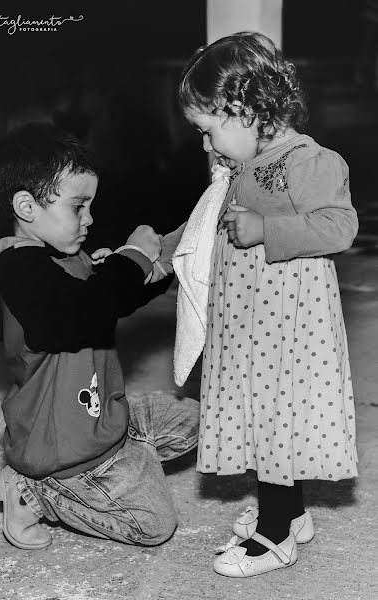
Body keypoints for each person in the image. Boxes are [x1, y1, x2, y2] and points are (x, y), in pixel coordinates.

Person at [162, 31, 359, 577]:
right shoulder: (238, 169)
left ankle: (275, 535)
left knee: (277, 416)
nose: (206, 146)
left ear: (245, 108)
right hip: (248, 320)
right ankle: (291, 513)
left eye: (208, 130)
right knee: (257, 415)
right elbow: (203, 228)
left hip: (290, 321)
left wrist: (266, 228)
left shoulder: (309, 160)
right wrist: (157, 252)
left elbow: (340, 227)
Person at [0, 122, 199, 550]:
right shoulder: (17, 269)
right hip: (66, 449)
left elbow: (107, 302)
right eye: (79, 206)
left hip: (102, 412)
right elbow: (84, 308)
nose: (89, 219)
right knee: (154, 525)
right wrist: (130, 259)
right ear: (26, 206)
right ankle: (35, 492)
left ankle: (128, 455)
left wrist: (163, 260)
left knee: (203, 423)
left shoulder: (62, 257)